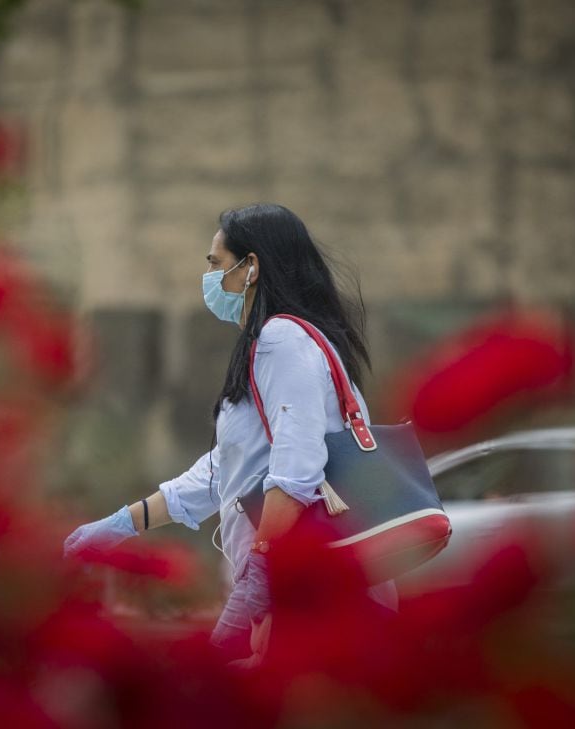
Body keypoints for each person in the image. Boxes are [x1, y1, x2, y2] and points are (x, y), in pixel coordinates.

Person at [64, 203, 396, 660]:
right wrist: (123, 523)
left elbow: (295, 467)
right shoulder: (273, 344)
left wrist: (261, 568)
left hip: (304, 588)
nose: (210, 277)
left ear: (251, 267)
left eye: (216, 264)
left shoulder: (283, 340)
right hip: (290, 588)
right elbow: (227, 468)